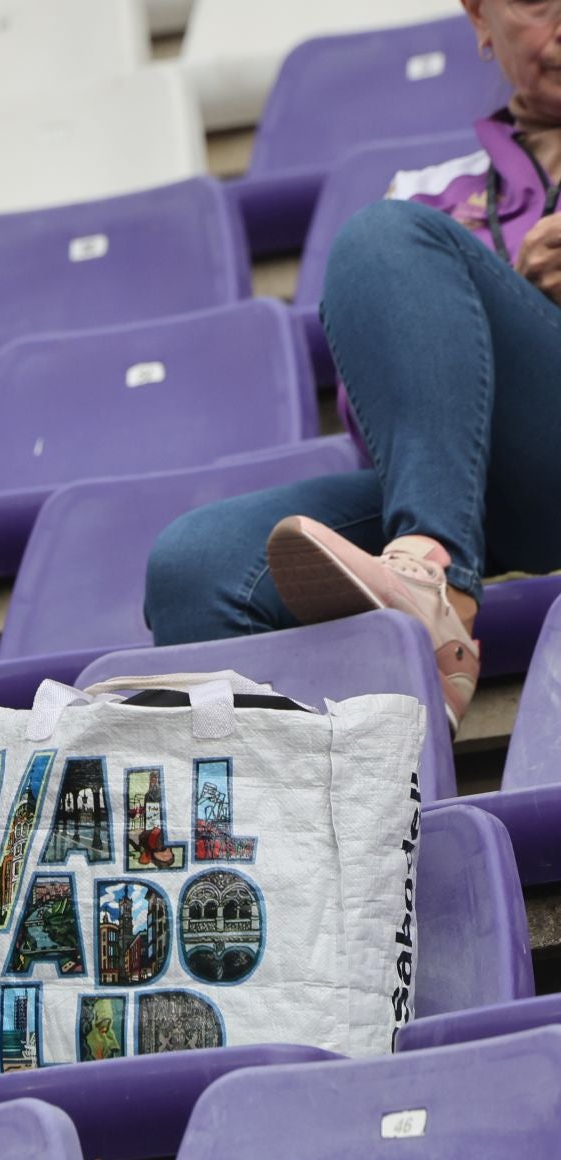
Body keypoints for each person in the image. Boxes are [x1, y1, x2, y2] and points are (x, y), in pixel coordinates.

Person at [144, 0, 561, 727]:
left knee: (386, 236)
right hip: (494, 490)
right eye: (535, 2)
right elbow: (386, 431)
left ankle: (436, 584)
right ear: (478, 19)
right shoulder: (432, 198)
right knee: (198, 565)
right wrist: (505, 303)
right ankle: (325, 810)